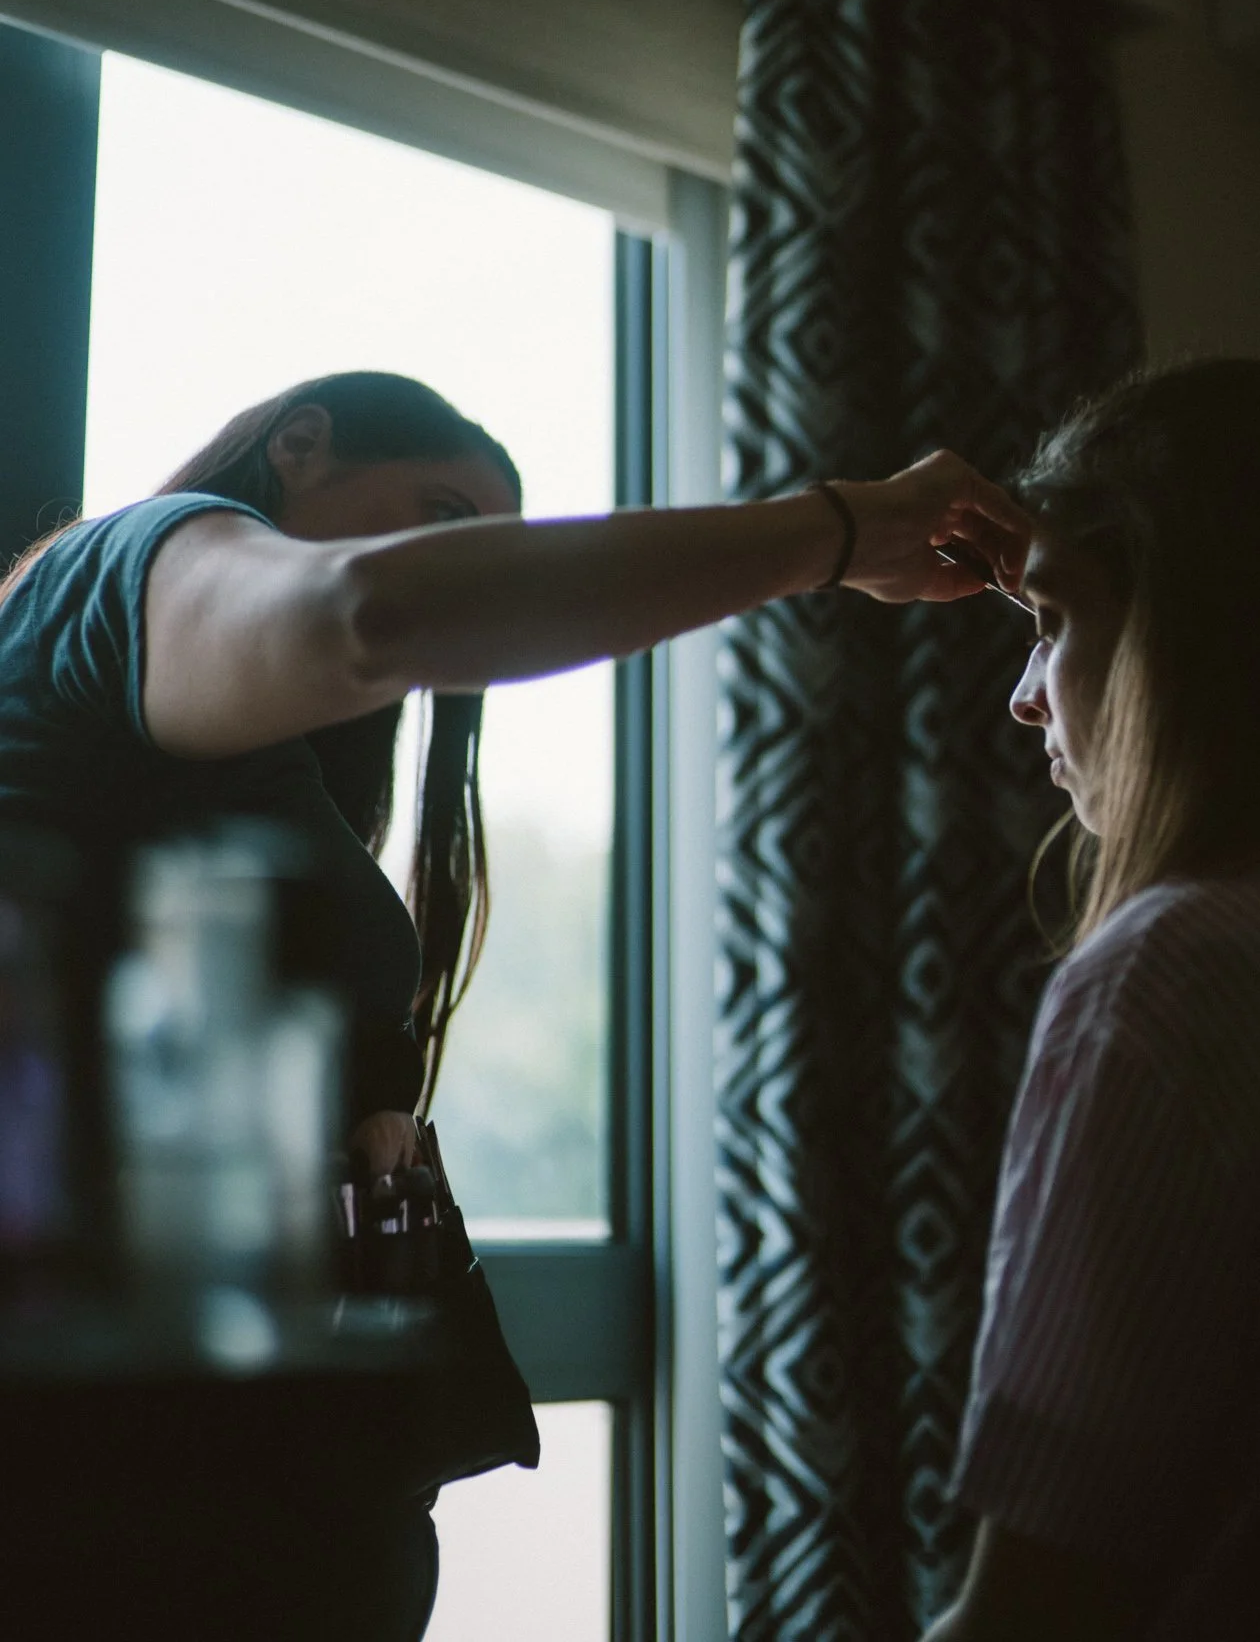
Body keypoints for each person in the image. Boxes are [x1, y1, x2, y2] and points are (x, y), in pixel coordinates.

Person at [0, 368, 1027, 1640]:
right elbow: (374, 612)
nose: (460, 568)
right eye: (442, 515)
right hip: (92, 1477)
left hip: (222, 1463)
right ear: (299, 444)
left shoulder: (256, 762)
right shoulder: (122, 572)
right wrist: (837, 531)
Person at [928, 358, 1260, 1642]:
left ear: (1187, 632)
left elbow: (1039, 1605)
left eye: (1055, 616)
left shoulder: (1176, 971)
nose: (1024, 696)